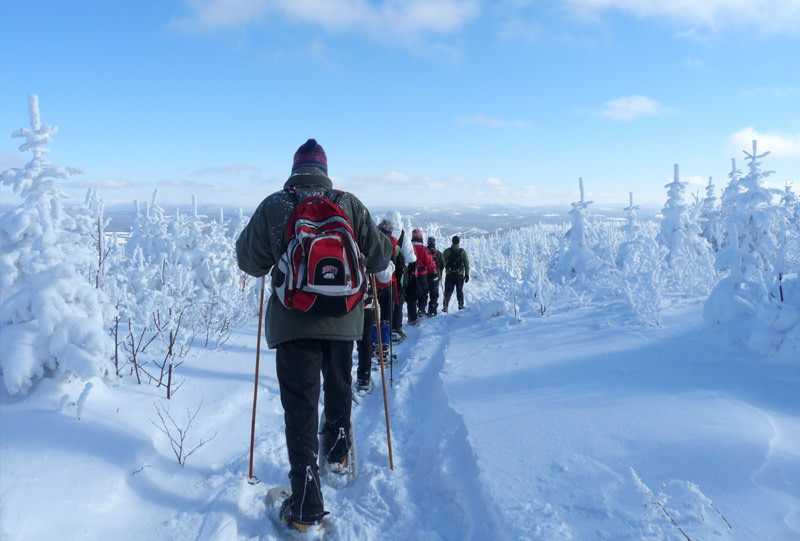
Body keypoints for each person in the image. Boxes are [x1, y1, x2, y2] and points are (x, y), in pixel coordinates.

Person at [235, 139, 392, 532]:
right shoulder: (348, 202)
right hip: (344, 318)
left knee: (301, 405)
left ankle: (305, 503)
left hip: (293, 322)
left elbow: (247, 260)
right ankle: (338, 451)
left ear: (295, 168)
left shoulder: (276, 204)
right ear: (324, 169)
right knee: (338, 383)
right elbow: (379, 256)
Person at [407, 228, 435, 324]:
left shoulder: (409, 247)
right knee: (423, 292)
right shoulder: (424, 249)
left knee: (412, 293)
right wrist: (434, 267)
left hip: (411, 274)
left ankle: (412, 315)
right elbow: (429, 263)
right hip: (422, 275)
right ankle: (421, 310)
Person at [442, 235, 470, 312]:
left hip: (449, 275)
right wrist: (467, 274)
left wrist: (440, 274)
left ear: (452, 241)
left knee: (448, 291)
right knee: (459, 291)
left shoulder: (447, 251)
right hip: (459, 275)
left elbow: (442, 262)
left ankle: (445, 306)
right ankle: (460, 305)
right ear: (459, 242)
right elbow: (466, 263)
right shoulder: (462, 252)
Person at [425, 236, 444, 316]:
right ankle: (432, 310)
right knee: (434, 294)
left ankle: (421, 309)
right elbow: (442, 265)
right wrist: (440, 275)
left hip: (424, 276)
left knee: (424, 293)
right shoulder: (438, 253)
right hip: (435, 276)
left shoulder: (424, 251)